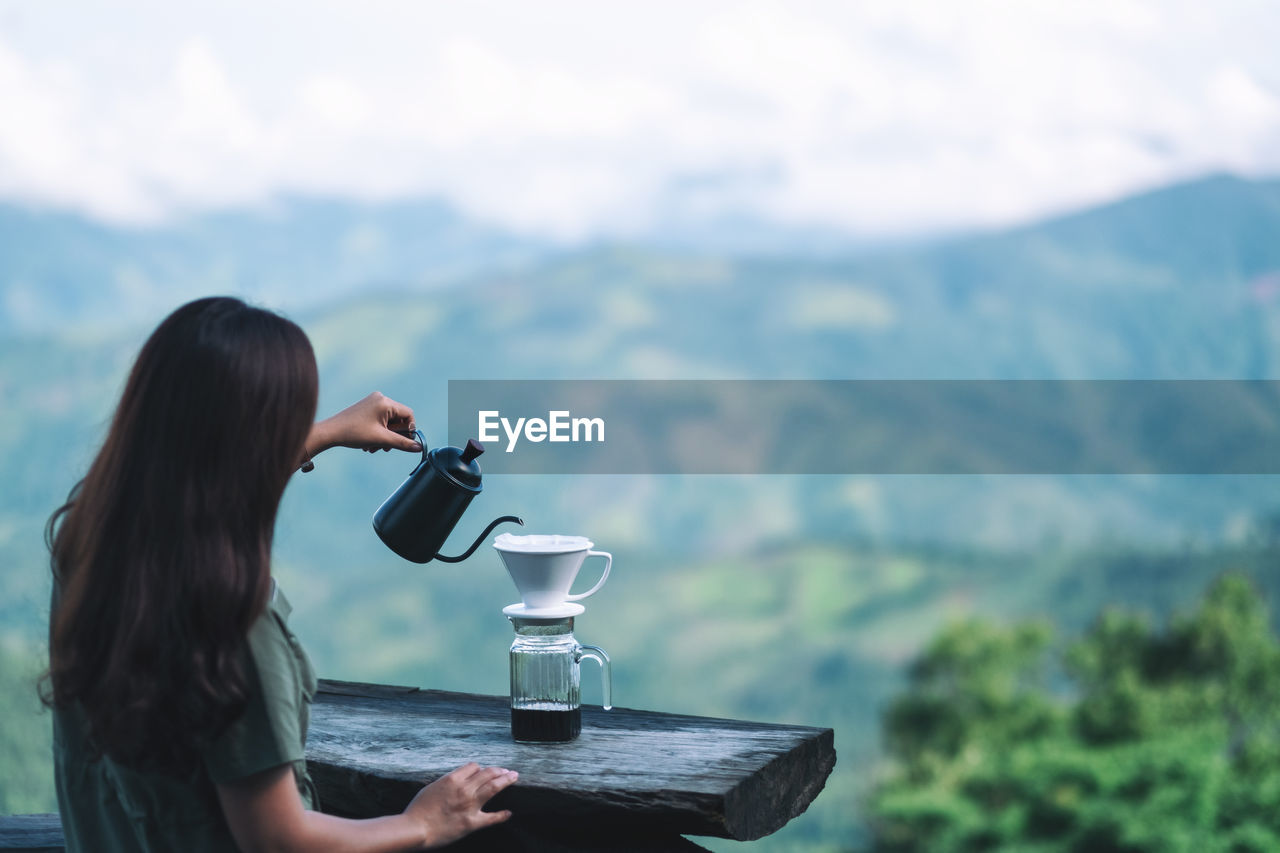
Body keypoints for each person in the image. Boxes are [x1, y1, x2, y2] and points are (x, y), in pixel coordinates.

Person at [42, 296, 518, 851]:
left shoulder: (90, 533)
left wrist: (325, 432)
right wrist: (424, 823)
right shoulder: (230, 619)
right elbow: (276, 837)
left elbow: (197, 470)